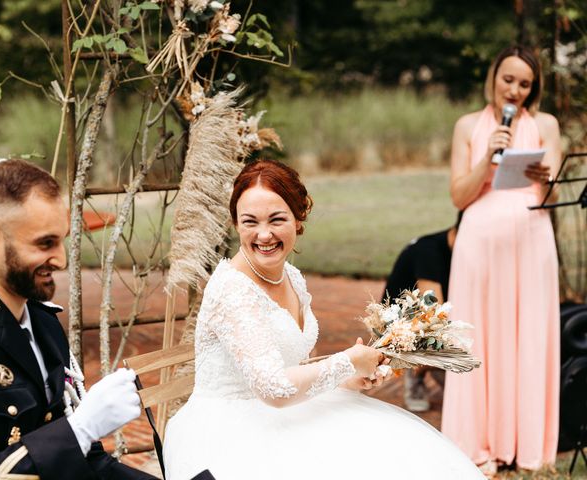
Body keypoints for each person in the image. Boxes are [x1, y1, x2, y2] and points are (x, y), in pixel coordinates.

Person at [163, 159, 483, 479]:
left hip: (287, 414)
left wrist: (348, 379)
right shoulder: (232, 289)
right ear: (235, 224)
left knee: (398, 457)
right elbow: (274, 388)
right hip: (230, 432)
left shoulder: (291, 277)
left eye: (277, 219)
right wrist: (348, 361)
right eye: (250, 222)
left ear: (298, 218)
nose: (264, 234)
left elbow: (297, 368)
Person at [0, 159, 157, 479]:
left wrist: (80, 435)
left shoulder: (43, 323)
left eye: (62, 240)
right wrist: (79, 430)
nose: (60, 259)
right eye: (45, 243)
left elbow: (86, 461)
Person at [442, 45, 561, 475]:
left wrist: (548, 178)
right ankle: (478, 443)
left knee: (528, 334)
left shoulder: (546, 124)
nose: (514, 90)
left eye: (524, 84)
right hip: (481, 243)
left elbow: (556, 196)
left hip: (531, 241)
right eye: (508, 79)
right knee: (479, 338)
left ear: (534, 89)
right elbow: (458, 195)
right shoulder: (468, 125)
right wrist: (487, 159)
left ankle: (526, 444)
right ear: (493, 77)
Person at [383, 213, 460, 412]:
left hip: (432, 314)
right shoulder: (429, 250)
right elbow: (432, 311)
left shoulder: (461, 252)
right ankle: (416, 373)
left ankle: (445, 373)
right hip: (402, 325)